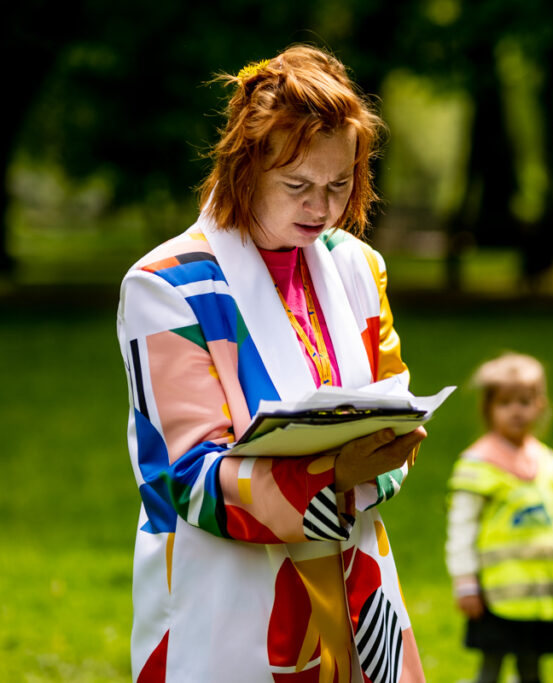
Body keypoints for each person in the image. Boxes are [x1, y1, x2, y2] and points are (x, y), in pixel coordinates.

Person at [116, 45, 428, 682]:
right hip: (225, 597)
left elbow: (397, 418)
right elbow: (187, 476)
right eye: (298, 186)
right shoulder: (166, 285)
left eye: (340, 184)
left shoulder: (359, 267)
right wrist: (337, 472)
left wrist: (377, 462)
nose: (323, 207)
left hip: (357, 588)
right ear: (244, 169)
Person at [445, 352, 553, 683]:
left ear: (540, 404)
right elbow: (461, 529)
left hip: (538, 594)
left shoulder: (549, 463)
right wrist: (465, 583)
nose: (516, 410)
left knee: (531, 669)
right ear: (488, 408)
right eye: (505, 402)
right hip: (494, 595)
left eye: (524, 401)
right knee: (490, 669)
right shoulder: (477, 466)